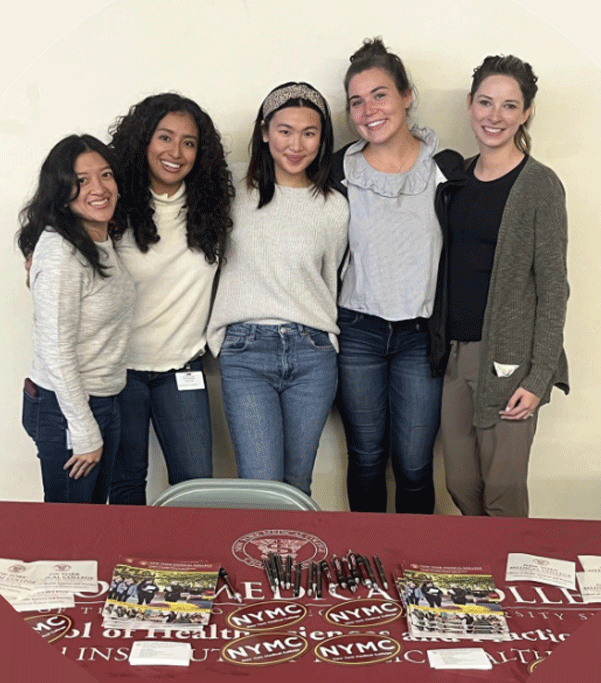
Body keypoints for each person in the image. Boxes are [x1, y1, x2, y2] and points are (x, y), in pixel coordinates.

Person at [431, 55, 569, 517]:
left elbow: (554, 289)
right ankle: (477, 586)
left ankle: (506, 587)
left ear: (526, 112)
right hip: (454, 357)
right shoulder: (454, 180)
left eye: (509, 106)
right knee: (461, 486)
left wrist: (539, 376)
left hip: (510, 359)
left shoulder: (540, 186)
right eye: (486, 102)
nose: (495, 116)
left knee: (502, 493)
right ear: (470, 105)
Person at [330, 38, 460, 513]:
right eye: (356, 102)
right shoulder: (337, 172)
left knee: (414, 463)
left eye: (380, 94)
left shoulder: (446, 169)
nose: (368, 110)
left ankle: (412, 573)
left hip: (420, 337)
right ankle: (366, 571)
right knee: (366, 459)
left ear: (407, 95)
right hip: (358, 332)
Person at [207, 82, 349, 496]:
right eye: (285, 130)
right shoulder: (232, 192)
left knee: (297, 483)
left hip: (313, 353)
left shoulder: (334, 207)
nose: (296, 144)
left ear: (322, 140)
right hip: (246, 352)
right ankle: (262, 563)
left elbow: (330, 279)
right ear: (265, 132)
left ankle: (294, 565)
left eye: (309, 132)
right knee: (261, 486)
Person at [107, 93, 234, 505]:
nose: (175, 153)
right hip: (118, 370)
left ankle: (192, 569)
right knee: (125, 484)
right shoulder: (111, 205)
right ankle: (130, 569)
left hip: (182, 368)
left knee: (195, 488)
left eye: (189, 143)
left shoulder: (214, 205)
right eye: (164, 137)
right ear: (143, 140)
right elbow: (59, 234)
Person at [18, 135, 135, 504]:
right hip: (67, 408)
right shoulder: (61, 254)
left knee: (92, 526)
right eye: (82, 181)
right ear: (60, 190)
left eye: (105, 175)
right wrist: (83, 428)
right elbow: (56, 349)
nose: (99, 188)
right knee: (71, 539)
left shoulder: (96, 239)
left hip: (102, 399)